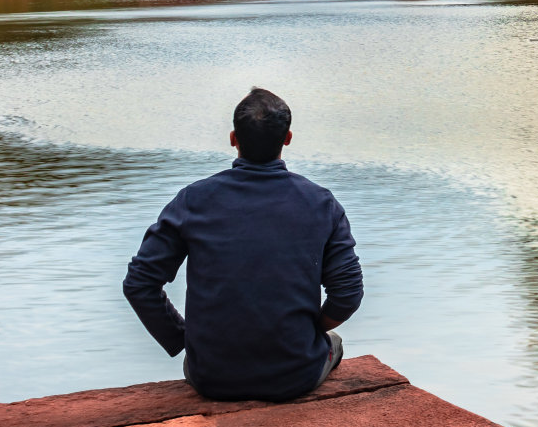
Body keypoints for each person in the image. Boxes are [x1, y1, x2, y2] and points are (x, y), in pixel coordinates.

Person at [123, 88, 363, 400]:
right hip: (295, 375)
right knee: (335, 341)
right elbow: (347, 295)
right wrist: (310, 329)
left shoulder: (193, 201)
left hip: (210, 375)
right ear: (287, 138)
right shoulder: (321, 204)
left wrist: (182, 338)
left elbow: (139, 283)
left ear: (234, 138)